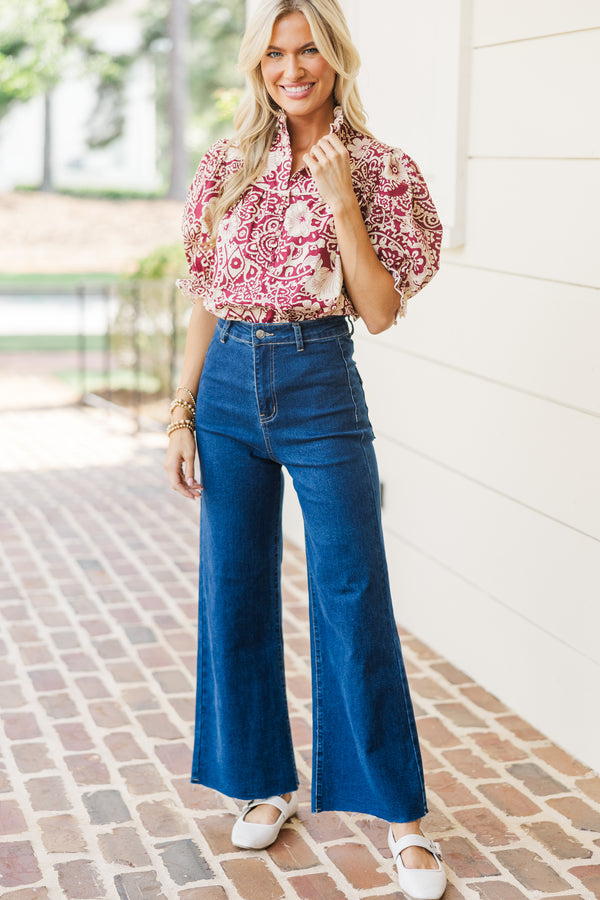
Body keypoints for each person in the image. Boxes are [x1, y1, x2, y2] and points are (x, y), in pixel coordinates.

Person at [164, 0, 446, 896]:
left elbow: (379, 309)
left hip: (320, 378)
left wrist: (341, 201)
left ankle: (401, 821)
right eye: (276, 53)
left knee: (353, 590)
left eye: (309, 50)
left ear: (336, 58)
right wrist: (180, 411)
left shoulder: (383, 168)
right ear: (258, 64)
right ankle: (259, 786)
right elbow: (206, 293)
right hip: (227, 389)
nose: (292, 68)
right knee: (235, 586)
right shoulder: (226, 165)